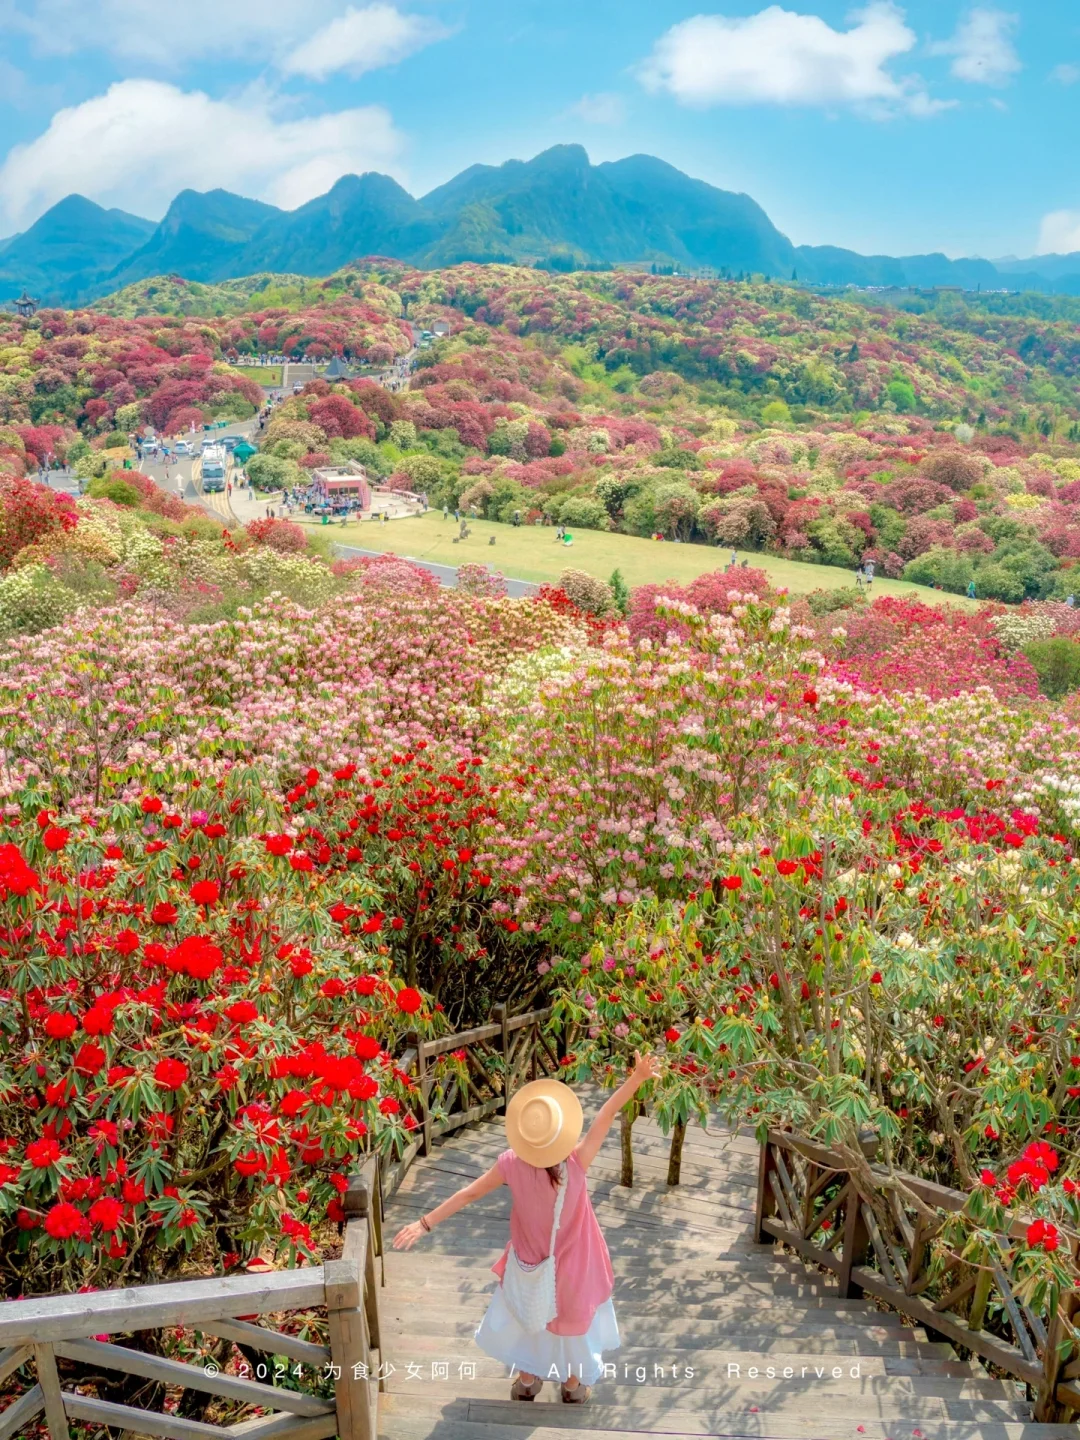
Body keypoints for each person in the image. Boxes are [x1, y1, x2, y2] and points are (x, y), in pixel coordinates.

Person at [393, 1052, 661, 1403]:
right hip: (576, 1263)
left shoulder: (510, 1164)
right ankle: (572, 1386)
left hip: (530, 1264)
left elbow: (468, 1194)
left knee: (528, 1315)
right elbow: (607, 1113)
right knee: (571, 1321)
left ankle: (527, 1382)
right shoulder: (576, 1163)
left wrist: (424, 1223)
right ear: (562, 1132)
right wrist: (637, 1077)